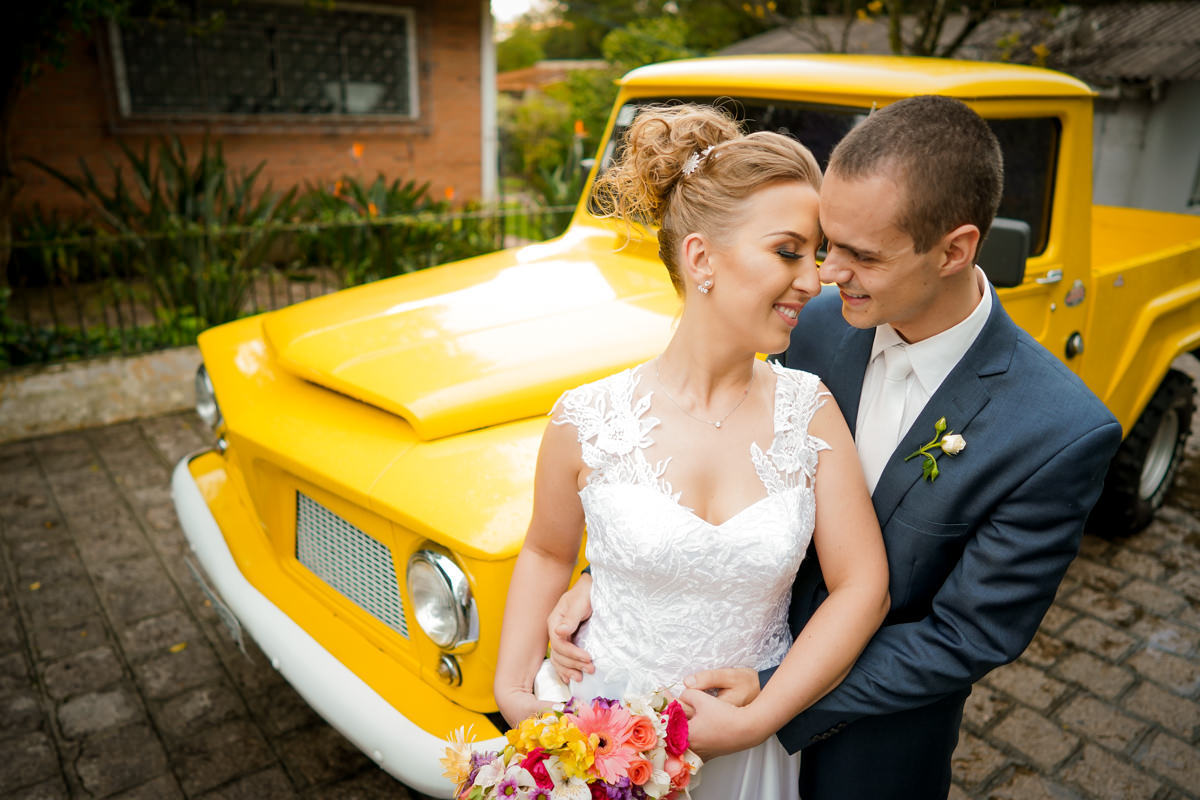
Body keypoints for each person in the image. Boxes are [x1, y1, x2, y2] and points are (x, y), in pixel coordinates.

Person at [548, 95, 1124, 799]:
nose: (826, 272)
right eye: (824, 242)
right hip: (701, 707)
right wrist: (620, 569)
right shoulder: (810, 327)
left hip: (870, 747)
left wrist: (767, 702)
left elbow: (965, 636)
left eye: (860, 254)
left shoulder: (1058, 431)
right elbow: (704, 451)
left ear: (955, 250)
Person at [492, 104, 890, 799]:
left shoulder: (811, 411)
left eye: (814, 253)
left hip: (747, 753)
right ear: (701, 257)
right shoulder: (586, 419)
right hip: (593, 736)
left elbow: (863, 588)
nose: (815, 279)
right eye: (788, 251)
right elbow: (548, 552)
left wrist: (759, 717)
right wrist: (512, 688)